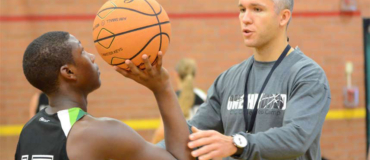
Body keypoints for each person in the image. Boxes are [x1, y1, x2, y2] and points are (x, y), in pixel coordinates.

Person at [158, 0, 331, 160]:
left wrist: (237, 143)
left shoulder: (307, 75)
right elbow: (190, 137)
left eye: (257, 9)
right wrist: (159, 87)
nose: (245, 19)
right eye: (242, 10)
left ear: (283, 17)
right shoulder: (228, 79)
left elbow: (296, 137)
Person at [15, 31, 194, 160]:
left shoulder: (29, 130)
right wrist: (162, 88)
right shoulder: (98, 133)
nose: (92, 56)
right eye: (83, 51)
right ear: (69, 72)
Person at [152, 58, 206, 143]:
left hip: (181, 151)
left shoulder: (171, 98)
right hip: (203, 150)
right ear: (194, 74)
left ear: (176, 74)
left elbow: (161, 132)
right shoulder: (203, 96)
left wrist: (153, 148)